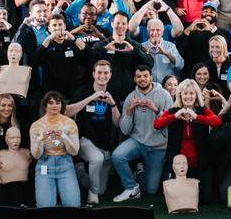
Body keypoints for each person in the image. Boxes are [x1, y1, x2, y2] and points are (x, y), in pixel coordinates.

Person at [154, 80, 221, 203]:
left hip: (200, 161)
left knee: (205, 199)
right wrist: (175, 116)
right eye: (185, 93)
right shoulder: (174, 110)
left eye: (191, 93)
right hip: (178, 162)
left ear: (196, 95)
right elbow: (156, 124)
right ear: (180, 95)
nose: (188, 96)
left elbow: (216, 121)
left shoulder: (201, 110)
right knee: (172, 198)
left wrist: (197, 117)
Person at [113, 66, 174, 201]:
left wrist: (156, 109)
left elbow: (171, 122)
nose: (142, 79)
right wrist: (129, 112)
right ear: (135, 79)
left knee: (151, 190)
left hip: (158, 146)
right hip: (137, 141)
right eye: (139, 76)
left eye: (145, 76)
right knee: (117, 155)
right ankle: (131, 187)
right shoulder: (131, 97)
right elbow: (125, 130)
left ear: (151, 77)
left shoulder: (164, 95)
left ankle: (140, 171)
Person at [66, 60, 119, 205]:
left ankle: (81, 172)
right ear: (93, 74)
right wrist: (90, 98)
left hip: (104, 144)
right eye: (99, 72)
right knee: (96, 160)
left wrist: (113, 104)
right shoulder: (83, 90)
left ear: (110, 75)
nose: (102, 76)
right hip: (84, 139)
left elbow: (118, 123)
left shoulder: (113, 92)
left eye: (105, 73)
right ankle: (92, 193)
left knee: (102, 189)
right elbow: (66, 111)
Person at [29, 91, 82, 208]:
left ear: (62, 105)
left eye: (58, 103)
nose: (55, 105)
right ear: (45, 105)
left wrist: (64, 137)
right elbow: (36, 155)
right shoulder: (35, 126)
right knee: (45, 209)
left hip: (66, 164)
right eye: (51, 103)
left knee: (74, 207)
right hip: (44, 165)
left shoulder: (70, 123)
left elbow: (74, 151)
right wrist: (40, 139)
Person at [0, 126, 33, 206]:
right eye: (12, 138)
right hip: (5, 192)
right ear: (6, 139)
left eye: (18, 137)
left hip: (24, 191)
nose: (15, 140)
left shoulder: (27, 152)